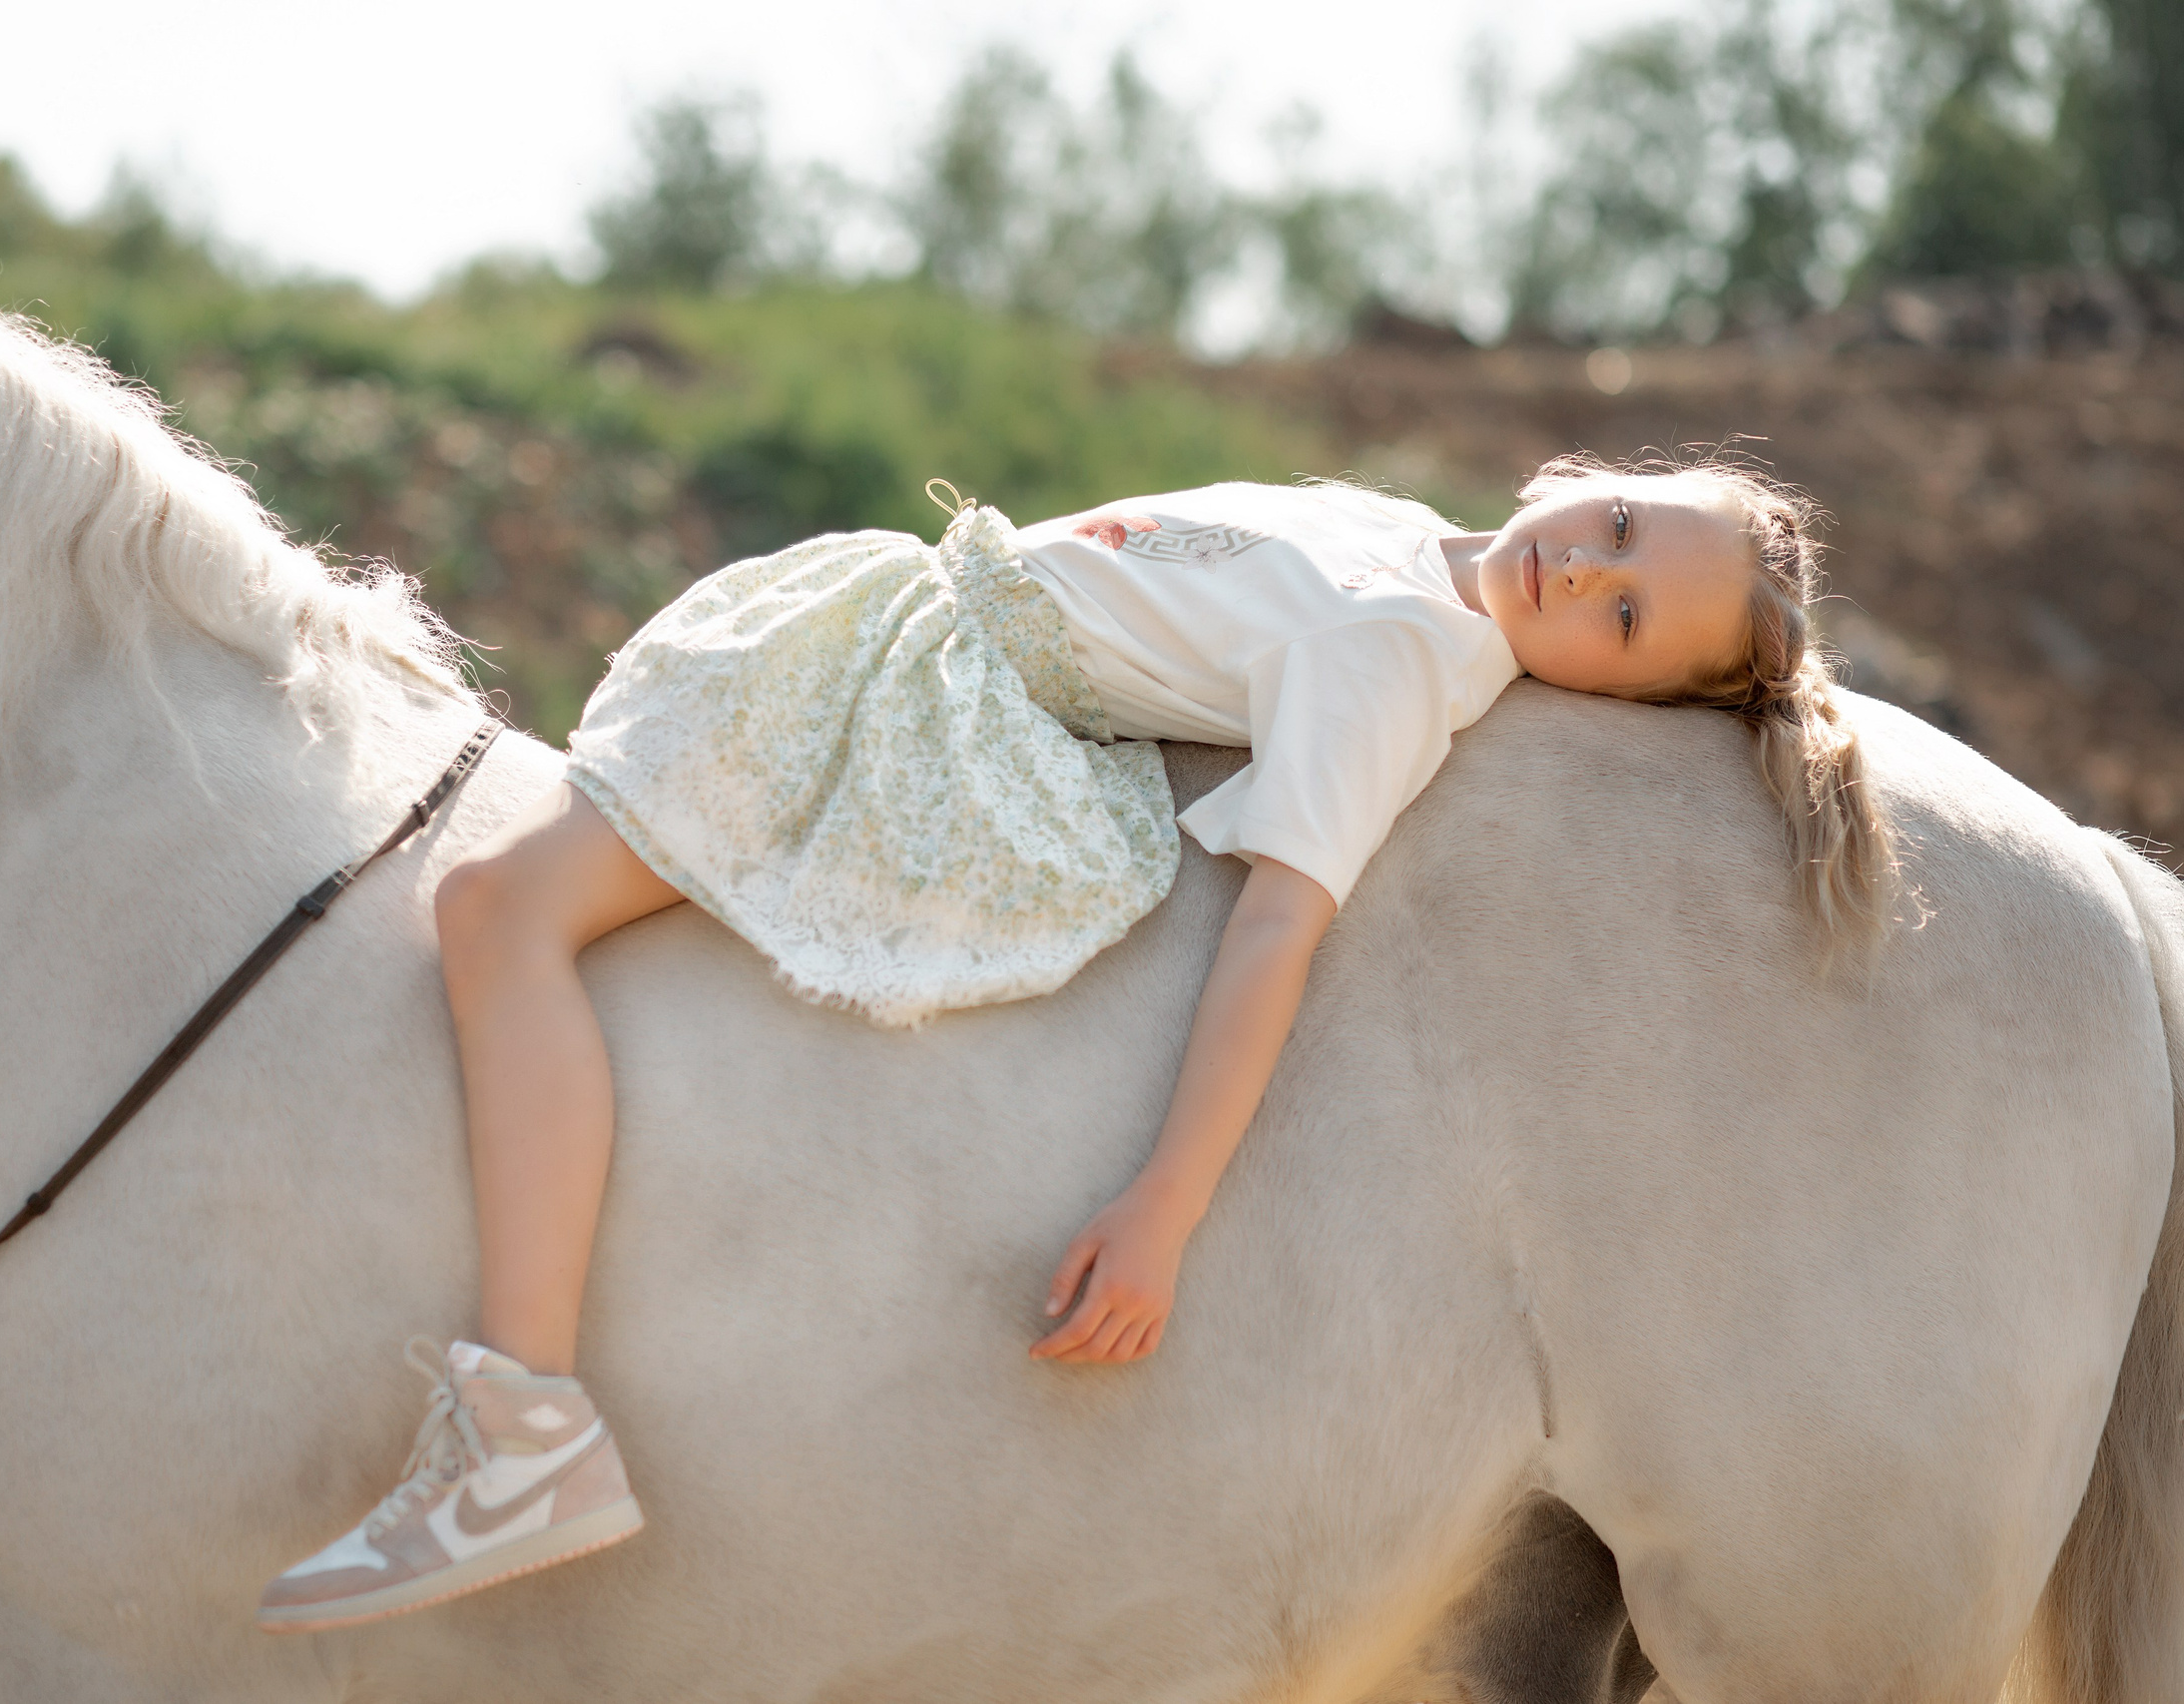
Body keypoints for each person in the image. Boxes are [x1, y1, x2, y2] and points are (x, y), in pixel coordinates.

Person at [255, 451, 1897, 1632]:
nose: (1585, 572)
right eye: (1617, 528)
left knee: (500, 916)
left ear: (1605, 701)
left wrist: (1166, 1206)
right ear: (1592, 472)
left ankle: (526, 1419)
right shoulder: (1411, 546)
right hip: (908, 638)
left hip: (931, 711)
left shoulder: (1400, 656)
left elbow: (1278, 924)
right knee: (511, 908)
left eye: (1620, 622)